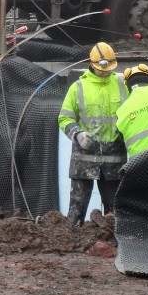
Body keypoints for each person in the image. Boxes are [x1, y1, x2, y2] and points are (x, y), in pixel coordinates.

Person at [57, 42, 128, 226]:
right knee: (76, 210)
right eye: (102, 69)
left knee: (114, 211)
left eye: (109, 69)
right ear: (92, 64)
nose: (106, 73)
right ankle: (72, 241)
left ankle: (111, 243)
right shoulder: (78, 87)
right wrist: (78, 134)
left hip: (113, 159)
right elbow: (64, 118)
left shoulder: (122, 84)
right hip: (84, 157)